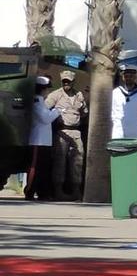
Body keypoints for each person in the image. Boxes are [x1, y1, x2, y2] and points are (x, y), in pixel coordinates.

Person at [47, 70, 85, 198]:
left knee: (78, 161)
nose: (66, 84)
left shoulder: (78, 95)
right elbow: (44, 109)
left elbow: (84, 112)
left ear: (73, 82)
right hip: (62, 131)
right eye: (64, 81)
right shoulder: (56, 95)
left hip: (76, 132)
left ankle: (76, 189)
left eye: (68, 81)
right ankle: (58, 190)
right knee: (60, 161)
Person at [26, 77, 60, 200]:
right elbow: (46, 118)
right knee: (34, 168)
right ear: (42, 89)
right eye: (46, 89)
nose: (47, 92)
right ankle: (29, 191)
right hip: (37, 140)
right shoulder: (36, 101)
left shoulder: (41, 102)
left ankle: (42, 192)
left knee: (43, 168)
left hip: (44, 141)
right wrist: (57, 110)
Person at [110, 65, 137, 141]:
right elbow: (111, 112)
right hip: (118, 133)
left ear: (135, 77)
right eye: (126, 76)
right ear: (123, 77)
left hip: (136, 134)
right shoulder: (115, 93)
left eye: (131, 76)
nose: (128, 78)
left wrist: (136, 123)